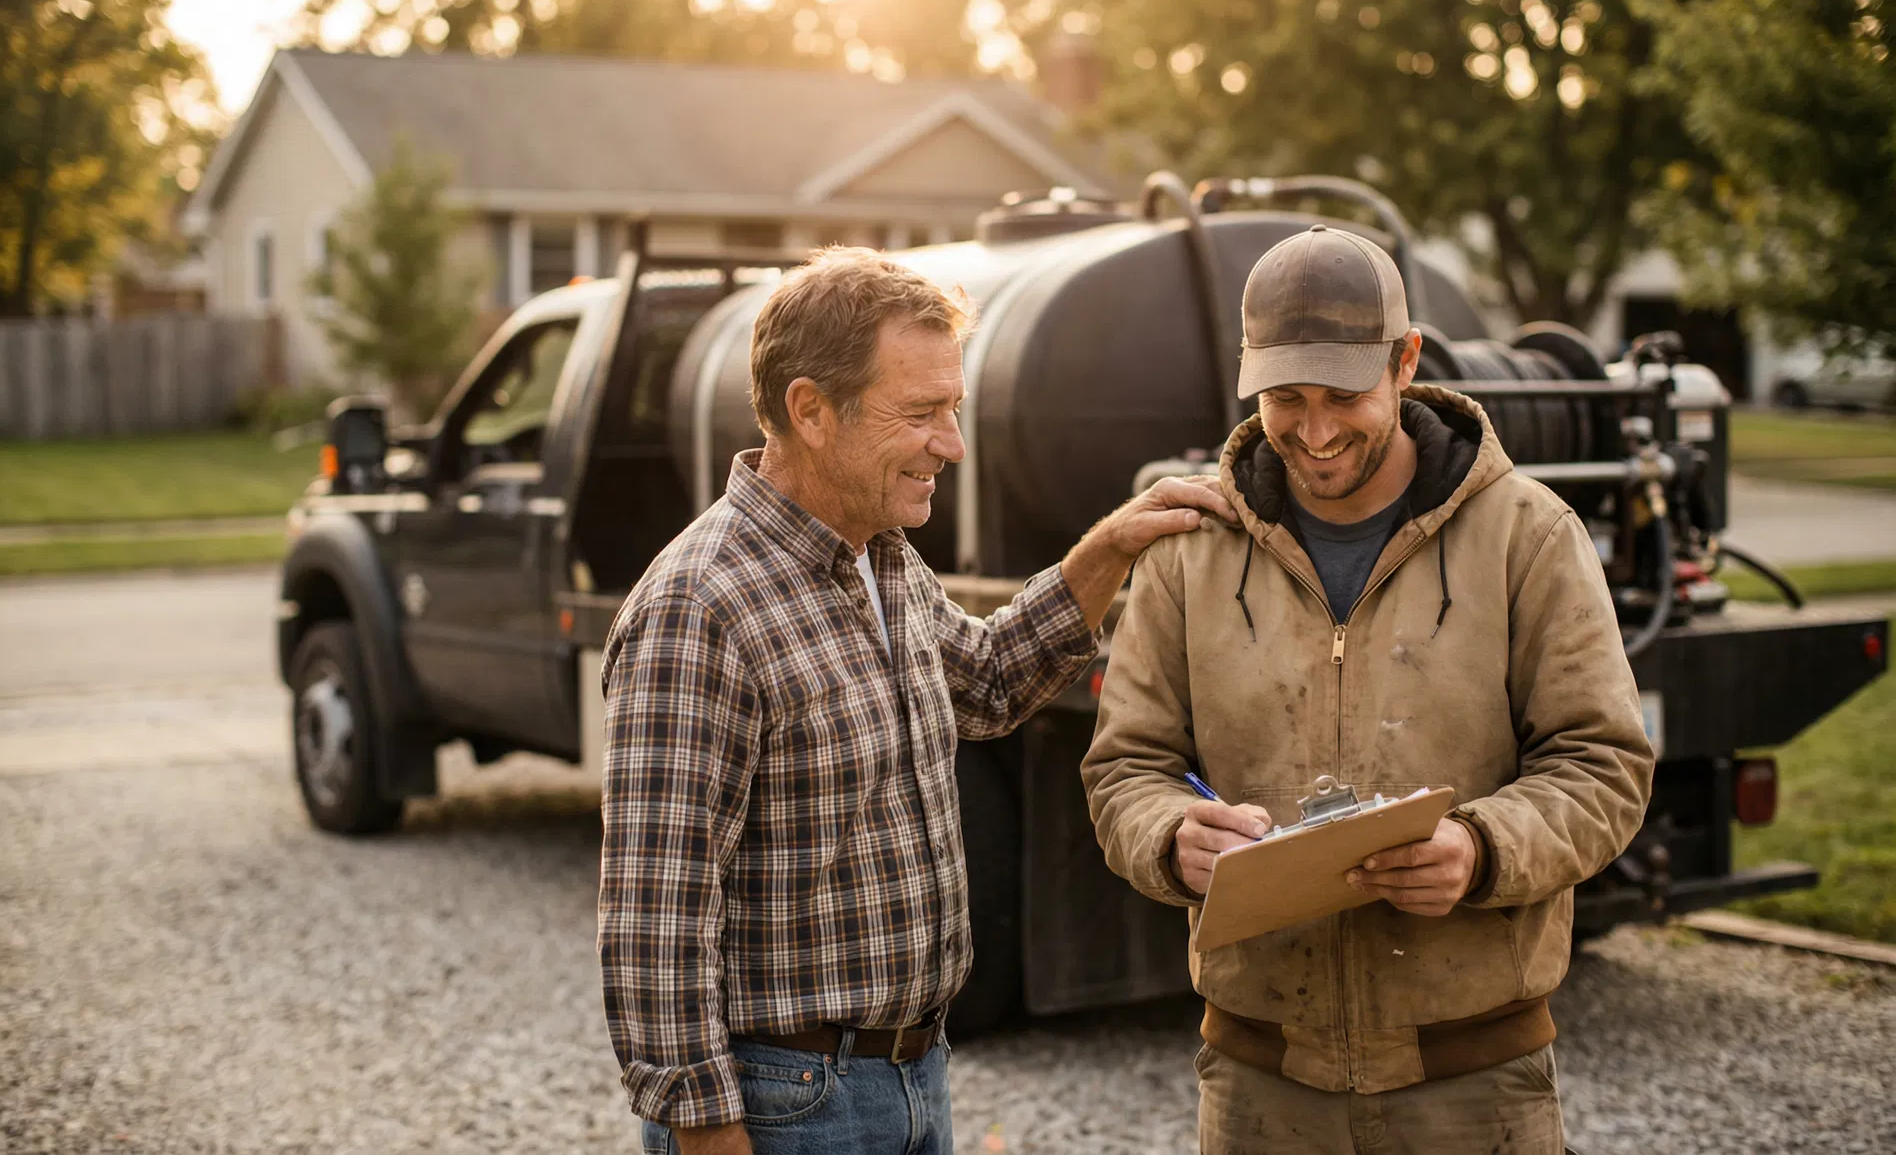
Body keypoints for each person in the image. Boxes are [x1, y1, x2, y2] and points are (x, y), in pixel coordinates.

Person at [599, 247, 1232, 1155]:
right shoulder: (700, 607)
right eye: (922, 413)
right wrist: (707, 1134)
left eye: (956, 410)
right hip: (789, 1105)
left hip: (910, 1075)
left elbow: (989, 682)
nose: (954, 444)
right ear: (810, 410)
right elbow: (654, 919)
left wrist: (1109, 550)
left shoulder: (879, 553)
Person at [1082, 225, 1654, 1154]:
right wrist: (1166, 836)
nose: (1314, 432)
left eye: (1343, 396)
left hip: (1475, 1089)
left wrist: (1481, 850)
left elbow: (1605, 767)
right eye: (1284, 398)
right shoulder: (1190, 551)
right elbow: (1125, 770)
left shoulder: (1529, 535)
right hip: (1259, 1089)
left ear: (1406, 360)